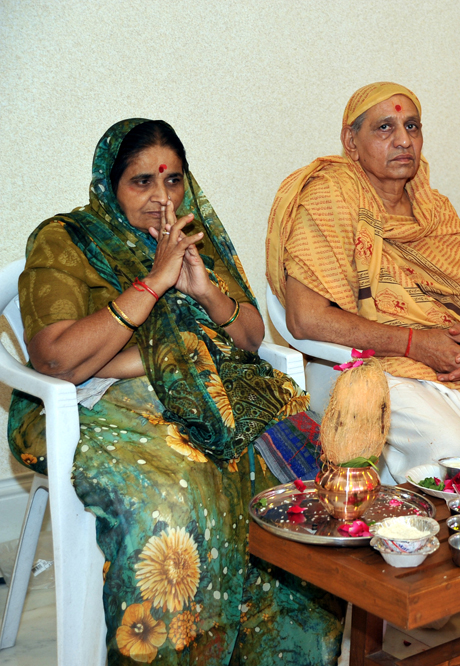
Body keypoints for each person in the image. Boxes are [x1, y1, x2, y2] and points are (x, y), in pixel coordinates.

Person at [8, 120, 344, 664]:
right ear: (110, 185)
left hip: (208, 389)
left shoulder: (193, 238)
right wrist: (154, 284)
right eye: (141, 182)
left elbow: (251, 337)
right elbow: (56, 360)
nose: (162, 198)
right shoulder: (65, 240)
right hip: (93, 403)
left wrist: (203, 290)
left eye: (173, 180)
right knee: (178, 501)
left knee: (309, 472)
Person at [266, 83, 460, 483]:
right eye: (384, 127)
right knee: (459, 454)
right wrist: (416, 344)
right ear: (351, 142)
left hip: (456, 360)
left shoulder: (431, 207)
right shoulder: (329, 196)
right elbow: (306, 319)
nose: (403, 140)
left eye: (412, 126)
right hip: (361, 367)